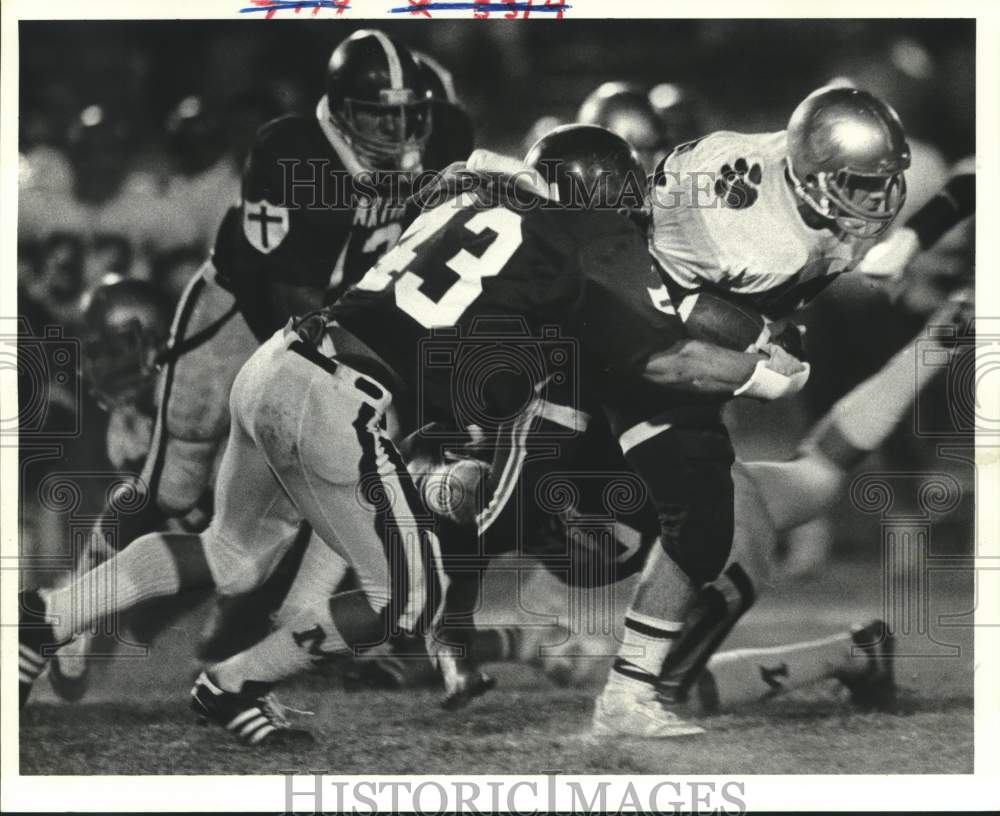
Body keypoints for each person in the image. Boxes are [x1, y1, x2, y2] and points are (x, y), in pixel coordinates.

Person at [19, 124, 804, 746]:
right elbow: (661, 356)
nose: (627, 225)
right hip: (339, 396)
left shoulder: (467, 194)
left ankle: (48, 618)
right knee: (407, 600)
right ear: (593, 198)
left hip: (279, 359)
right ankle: (233, 683)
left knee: (229, 551)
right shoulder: (568, 249)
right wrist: (762, 370)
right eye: (618, 205)